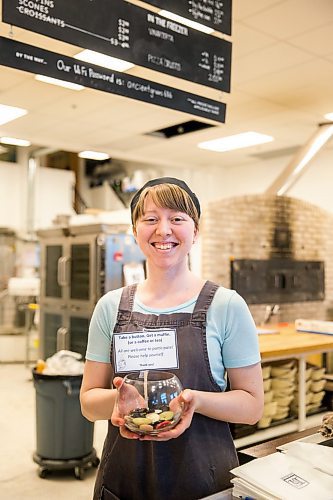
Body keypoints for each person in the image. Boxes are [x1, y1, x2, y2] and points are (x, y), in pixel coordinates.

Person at [80, 177, 264, 500]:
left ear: (195, 231)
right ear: (135, 231)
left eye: (177, 219)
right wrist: (120, 401)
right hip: (123, 483)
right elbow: (88, 402)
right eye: (150, 219)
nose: (163, 230)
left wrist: (196, 401)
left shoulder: (226, 306)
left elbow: (252, 406)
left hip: (204, 483)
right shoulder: (110, 308)